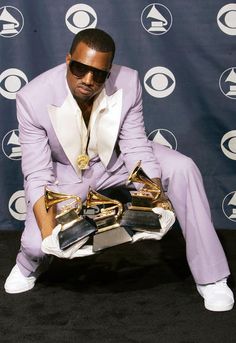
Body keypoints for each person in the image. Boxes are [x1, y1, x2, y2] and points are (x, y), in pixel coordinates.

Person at [4, 28, 234, 312]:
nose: (88, 80)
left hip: (116, 161)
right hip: (66, 173)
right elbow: (38, 174)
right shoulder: (33, 98)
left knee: (183, 168)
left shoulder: (130, 82)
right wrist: (50, 233)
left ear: (109, 71)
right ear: (67, 60)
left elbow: (136, 146)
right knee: (38, 243)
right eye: (79, 69)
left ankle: (211, 276)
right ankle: (29, 264)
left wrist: (153, 199)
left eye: (98, 74)